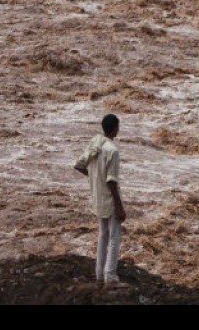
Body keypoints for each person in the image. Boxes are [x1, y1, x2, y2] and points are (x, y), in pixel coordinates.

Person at [74, 113, 127, 283]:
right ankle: (110, 276)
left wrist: (93, 177)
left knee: (103, 235)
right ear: (114, 129)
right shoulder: (112, 150)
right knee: (113, 238)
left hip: (98, 197)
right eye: (118, 126)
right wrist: (119, 207)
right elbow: (111, 181)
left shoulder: (95, 142)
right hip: (110, 200)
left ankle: (99, 275)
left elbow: (78, 165)